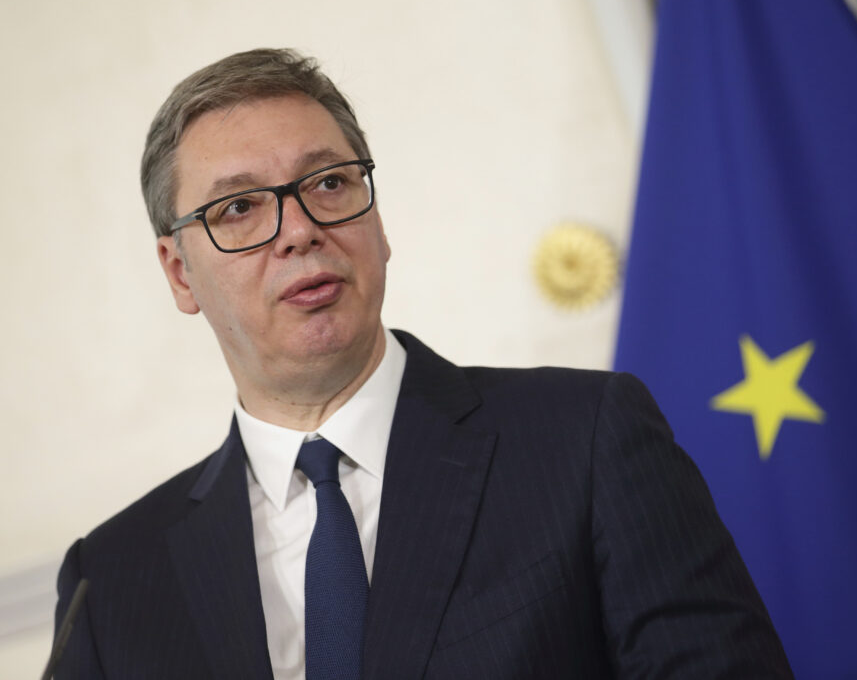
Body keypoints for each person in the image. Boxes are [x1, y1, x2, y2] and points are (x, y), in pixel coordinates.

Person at [54, 48, 792, 679]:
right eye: (240, 208)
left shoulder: (584, 443)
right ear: (180, 274)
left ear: (376, 221)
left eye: (329, 183)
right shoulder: (112, 581)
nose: (301, 230)